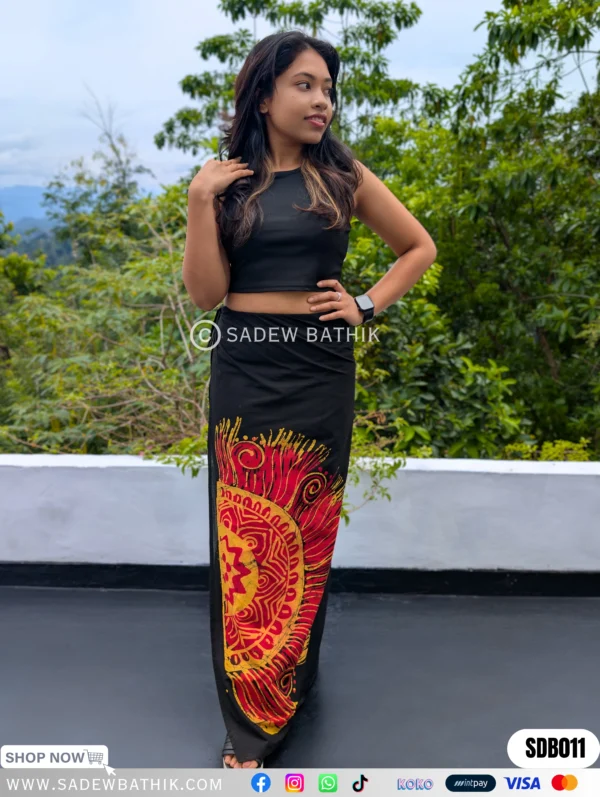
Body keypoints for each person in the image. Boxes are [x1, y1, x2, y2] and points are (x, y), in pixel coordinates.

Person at [182, 29, 437, 769]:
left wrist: (366, 304)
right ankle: (252, 724)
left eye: (327, 87)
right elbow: (206, 295)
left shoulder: (342, 175)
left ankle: (293, 677)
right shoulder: (226, 183)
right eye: (304, 84)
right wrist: (199, 200)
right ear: (263, 96)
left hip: (320, 367)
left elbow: (417, 247)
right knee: (247, 541)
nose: (322, 100)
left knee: (307, 533)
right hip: (246, 365)